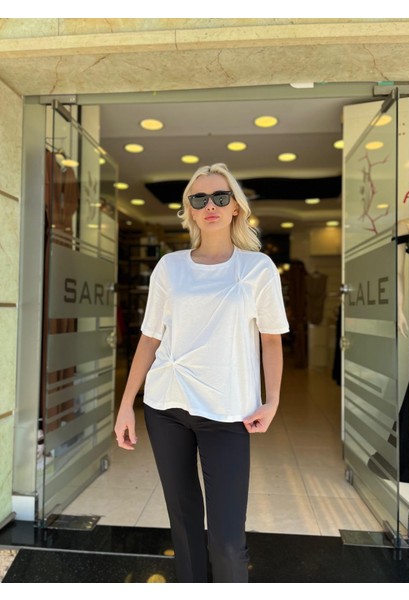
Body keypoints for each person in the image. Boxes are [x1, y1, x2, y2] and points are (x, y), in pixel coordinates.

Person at [114, 163, 289, 583]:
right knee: (185, 527)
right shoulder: (170, 267)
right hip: (165, 406)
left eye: (220, 197)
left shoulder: (257, 268)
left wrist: (272, 401)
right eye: (199, 198)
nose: (210, 205)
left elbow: (270, 340)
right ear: (190, 209)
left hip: (227, 412)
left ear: (235, 208)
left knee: (227, 541)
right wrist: (125, 406)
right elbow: (150, 338)